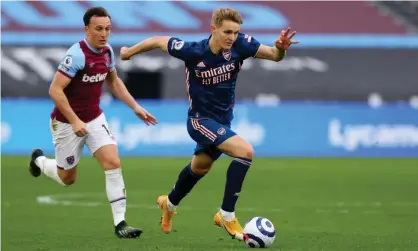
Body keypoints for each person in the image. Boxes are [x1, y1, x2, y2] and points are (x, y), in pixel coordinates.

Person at [120, 8, 298, 241]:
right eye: (226, 32)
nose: (231, 37)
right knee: (245, 152)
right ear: (213, 29)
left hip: (223, 120)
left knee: (200, 167)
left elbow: (274, 55)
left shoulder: (241, 45)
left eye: (235, 32)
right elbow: (157, 41)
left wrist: (282, 49)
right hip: (199, 121)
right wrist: (127, 52)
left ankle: (169, 204)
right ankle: (226, 214)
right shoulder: (193, 51)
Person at [28, 6, 157, 239]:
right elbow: (55, 90)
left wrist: (136, 107)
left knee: (113, 162)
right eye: (98, 29)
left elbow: (114, 83)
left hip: (95, 118)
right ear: (87, 29)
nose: (104, 34)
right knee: (68, 179)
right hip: (67, 124)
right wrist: (75, 120)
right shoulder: (76, 55)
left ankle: (121, 223)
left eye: (107, 29)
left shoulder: (107, 52)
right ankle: (39, 161)